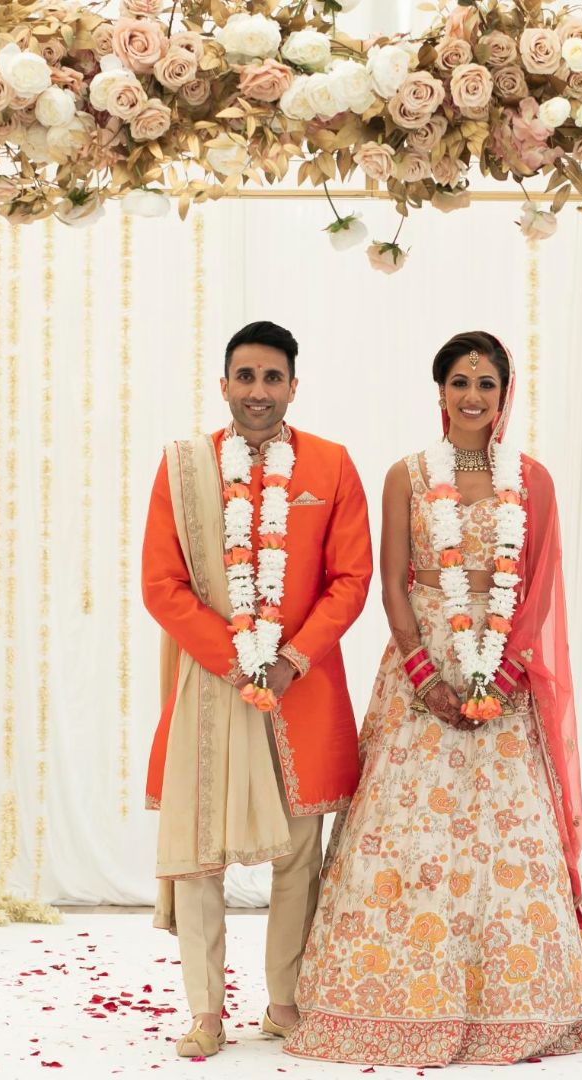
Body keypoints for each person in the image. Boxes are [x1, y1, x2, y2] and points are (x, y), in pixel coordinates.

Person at [284, 331, 582, 1066]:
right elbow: (394, 583)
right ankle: (389, 999)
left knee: (509, 836)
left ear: (504, 394)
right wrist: (424, 674)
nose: (472, 396)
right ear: (439, 391)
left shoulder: (533, 479)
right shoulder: (405, 475)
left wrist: (508, 670)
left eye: (485, 384)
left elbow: (539, 586)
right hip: (421, 668)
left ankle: (519, 1005)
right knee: (405, 831)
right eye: (460, 382)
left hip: (503, 671)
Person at [140, 320, 373, 1058]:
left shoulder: (331, 464)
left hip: (301, 690)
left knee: (299, 853)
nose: (258, 391)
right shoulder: (185, 468)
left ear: (294, 386)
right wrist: (233, 659)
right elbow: (162, 584)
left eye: (273, 377)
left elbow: (351, 578)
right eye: (245, 376)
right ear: (223, 385)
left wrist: (292, 659)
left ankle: (285, 1002)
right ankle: (205, 1012)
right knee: (200, 852)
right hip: (213, 688)